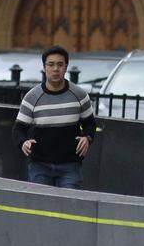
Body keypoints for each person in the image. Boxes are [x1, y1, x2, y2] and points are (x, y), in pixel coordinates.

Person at [13, 45, 98, 188]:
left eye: (60, 64)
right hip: (39, 165)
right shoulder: (32, 97)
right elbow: (18, 129)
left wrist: (87, 138)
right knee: (40, 206)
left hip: (70, 165)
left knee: (69, 206)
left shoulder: (80, 95)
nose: (55, 69)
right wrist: (23, 143)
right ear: (44, 67)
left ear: (66, 67)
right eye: (51, 64)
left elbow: (90, 124)